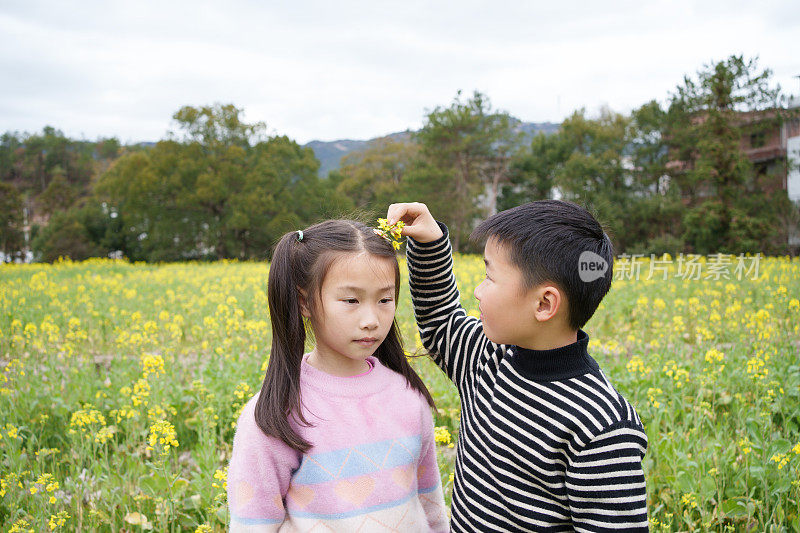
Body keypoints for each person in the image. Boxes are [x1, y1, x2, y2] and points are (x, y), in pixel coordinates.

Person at [386, 201, 649, 532]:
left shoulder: (600, 424)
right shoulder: (489, 358)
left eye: (489, 277)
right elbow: (441, 321)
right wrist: (429, 243)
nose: (478, 292)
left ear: (543, 304)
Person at [227, 219, 448, 532]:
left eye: (385, 299)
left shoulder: (407, 396)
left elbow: (430, 505)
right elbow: (254, 525)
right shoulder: (277, 414)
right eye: (351, 301)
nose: (371, 319)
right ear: (304, 302)